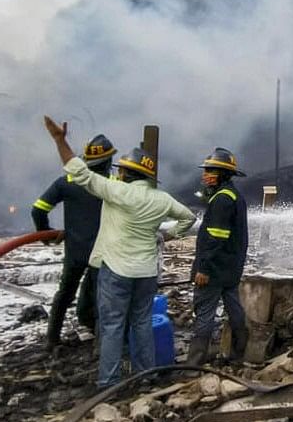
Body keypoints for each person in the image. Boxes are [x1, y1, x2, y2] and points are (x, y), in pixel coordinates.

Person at [43, 117, 195, 388]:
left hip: (116, 272)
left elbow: (79, 172)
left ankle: (109, 383)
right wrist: (165, 235)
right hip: (146, 273)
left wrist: (60, 140)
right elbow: (188, 218)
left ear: (125, 172)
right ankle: (145, 377)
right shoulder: (162, 198)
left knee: (112, 326)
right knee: (141, 324)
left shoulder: (117, 191)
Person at [32, 134, 116, 350]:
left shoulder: (66, 182)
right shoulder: (112, 184)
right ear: (107, 161)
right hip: (102, 251)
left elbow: (38, 209)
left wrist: (46, 234)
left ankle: (52, 339)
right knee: (102, 298)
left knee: (64, 293)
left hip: (75, 250)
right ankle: (101, 345)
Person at [187, 147, 249, 364]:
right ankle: (239, 353)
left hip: (214, 270)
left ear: (223, 174)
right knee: (235, 309)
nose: (205, 175)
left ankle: (194, 362)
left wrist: (203, 268)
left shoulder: (222, 200)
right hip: (231, 268)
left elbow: (215, 238)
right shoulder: (234, 196)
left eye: (210, 171)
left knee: (204, 312)